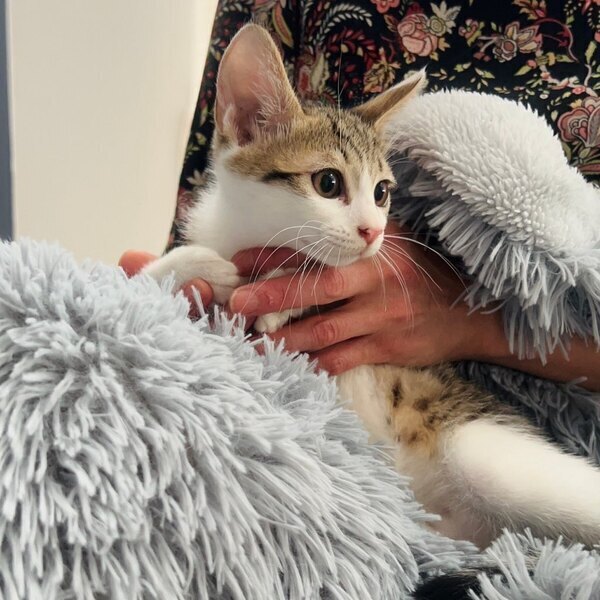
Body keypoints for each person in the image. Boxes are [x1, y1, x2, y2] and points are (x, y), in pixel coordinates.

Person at [120, 0, 600, 391]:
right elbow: (211, 192)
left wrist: (473, 321)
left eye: (381, 192)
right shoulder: (253, 149)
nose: (374, 227)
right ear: (246, 125)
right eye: (329, 184)